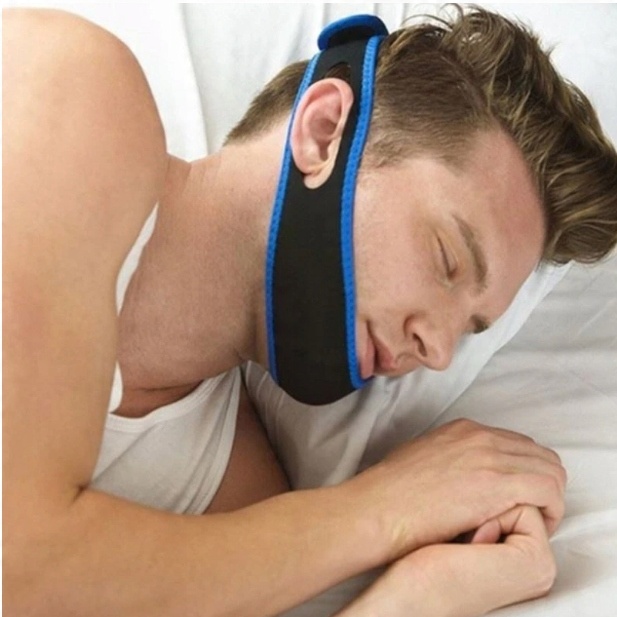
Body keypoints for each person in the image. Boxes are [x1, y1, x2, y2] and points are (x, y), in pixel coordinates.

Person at [3, 5, 616, 617]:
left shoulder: (233, 496)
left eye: (468, 328)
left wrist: (417, 597)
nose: (438, 352)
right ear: (323, 132)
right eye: (447, 259)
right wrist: (387, 507)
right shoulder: (73, 91)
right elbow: (21, 562)